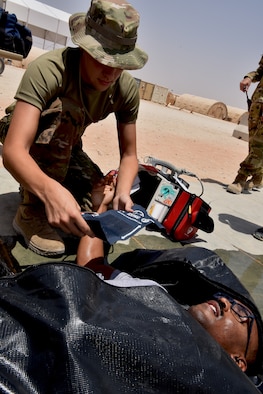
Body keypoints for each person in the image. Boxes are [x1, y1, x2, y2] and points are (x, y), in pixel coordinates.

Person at [1, 0, 148, 257]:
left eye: (120, 63)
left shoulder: (125, 89)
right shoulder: (50, 69)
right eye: (103, 59)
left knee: (97, 199)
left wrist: (122, 194)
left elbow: (129, 155)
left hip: (66, 144)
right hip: (25, 133)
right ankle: (30, 209)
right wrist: (49, 192)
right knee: (67, 112)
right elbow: (13, 151)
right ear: (84, 48)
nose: (111, 72)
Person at [76, 174, 261, 376]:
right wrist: (100, 208)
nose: (225, 301)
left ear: (237, 362)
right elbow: (93, 269)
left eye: (242, 315)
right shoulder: (153, 298)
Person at [227, 54, 263, 194]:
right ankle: (258, 177)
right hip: (257, 103)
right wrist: (249, 78)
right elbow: (261, 70)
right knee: (254, 143)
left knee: (260, 144)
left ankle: (241, 178)